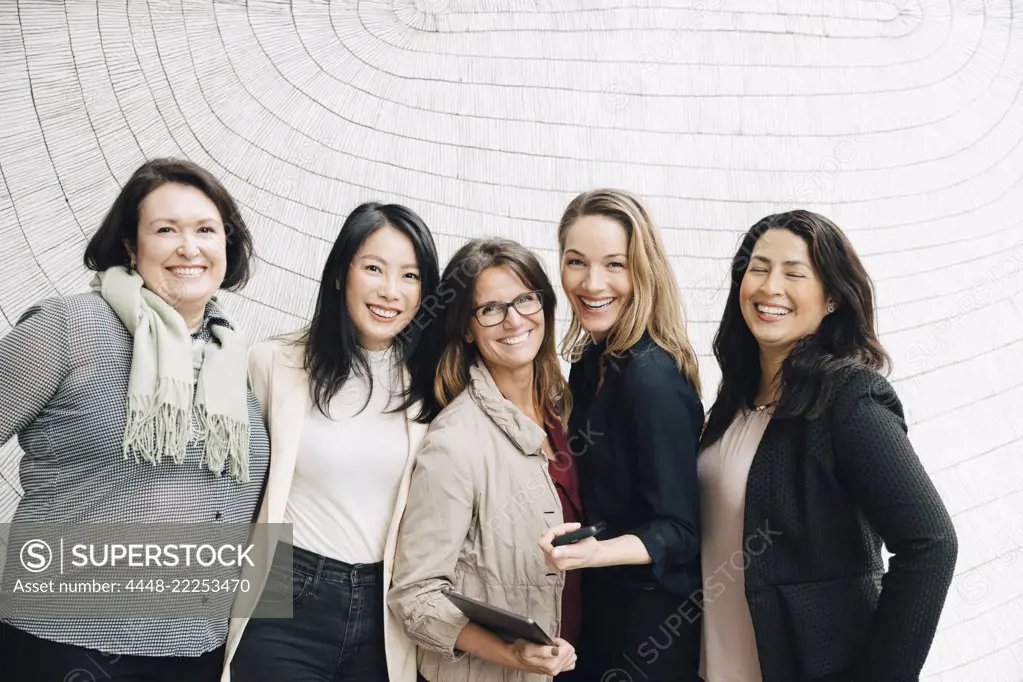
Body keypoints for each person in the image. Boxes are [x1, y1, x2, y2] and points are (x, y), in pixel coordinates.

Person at [0, 158, 269, 681]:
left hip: (196, 651)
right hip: (64, 643)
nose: (189, 248)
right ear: (131, 245)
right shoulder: (67, 328)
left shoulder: (237, 362)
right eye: (166, 229)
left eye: (206, 230)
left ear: (227, 246)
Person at [697, 210, 958, 682]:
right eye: (757, 268)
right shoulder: (732, 401)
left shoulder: (849, 398)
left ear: (833, 296)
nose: (770, 286)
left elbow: (930, 543)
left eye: (794, 273)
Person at [225, 202, 441, 682]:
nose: (390, 291)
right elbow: (229, 488)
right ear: (341, 274)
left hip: (382, 607)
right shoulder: (272, 365)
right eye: (373, 268)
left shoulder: (435, 387)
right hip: (287, 589)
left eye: (410, 276)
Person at [388, 237, 579, 682]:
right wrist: (514, 654)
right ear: (468, 328)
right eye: (491, 309)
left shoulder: (564, 411)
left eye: (525, 299)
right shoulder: (455, 442)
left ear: (544, 307)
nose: (514, 319)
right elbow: (415, 597)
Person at [539, 189, 703, 682]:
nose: (592, 283)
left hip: (651, 631)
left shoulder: (652, 380)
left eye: (615, 264)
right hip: (600, 611)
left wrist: (597, 551)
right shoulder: (589, 363)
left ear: (643, 271)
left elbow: (682, 530)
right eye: (576, 262)